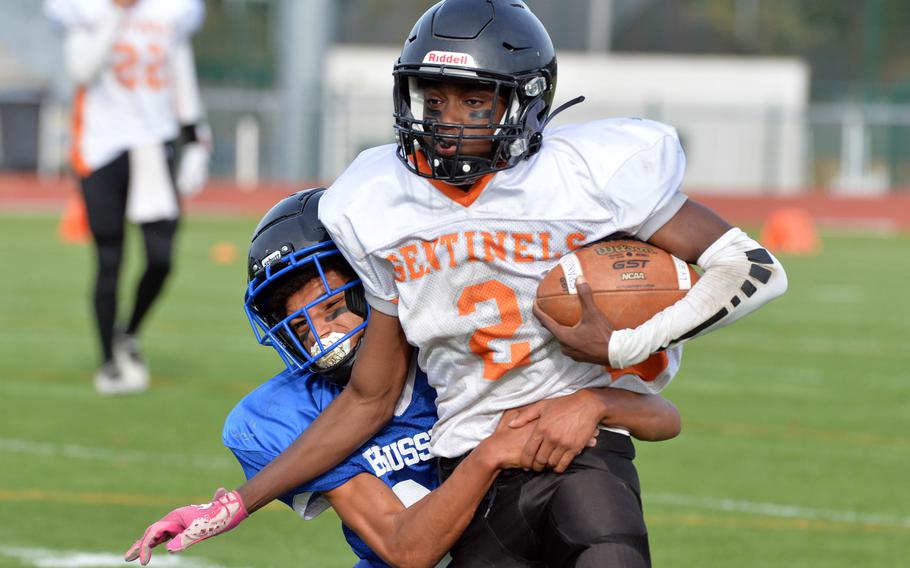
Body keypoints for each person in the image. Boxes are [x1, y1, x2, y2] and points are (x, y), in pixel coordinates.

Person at [129, 1, 789, 565]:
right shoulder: (377, 201)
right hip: (471, 459)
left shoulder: (587, 175)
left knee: (607, 542)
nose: (447, 119)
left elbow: (753, 268)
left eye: (475, 100)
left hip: (578, 442)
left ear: (523, 100)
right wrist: (237, 504)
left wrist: (619, 351)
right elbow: (371, 398)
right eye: (434, 98)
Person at [125, 188, 682, 567]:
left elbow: (663, 417)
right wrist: (490, 455)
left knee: (595, 504)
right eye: (300, 319)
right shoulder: (282, 415)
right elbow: (402, 547)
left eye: (334, 304)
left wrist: (594, 403)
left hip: (520, 541)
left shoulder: (453, 350)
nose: (324, 333)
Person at [45, 0, 211, 395]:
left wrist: (195, 137)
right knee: (109, 259)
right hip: (100, 147)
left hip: (153, 144)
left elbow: (180, 70)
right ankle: (108, 362)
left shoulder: (169, 12)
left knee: (161, 258)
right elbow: (82, 70)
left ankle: (128, 333)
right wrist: (116, 16)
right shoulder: (86, 11)